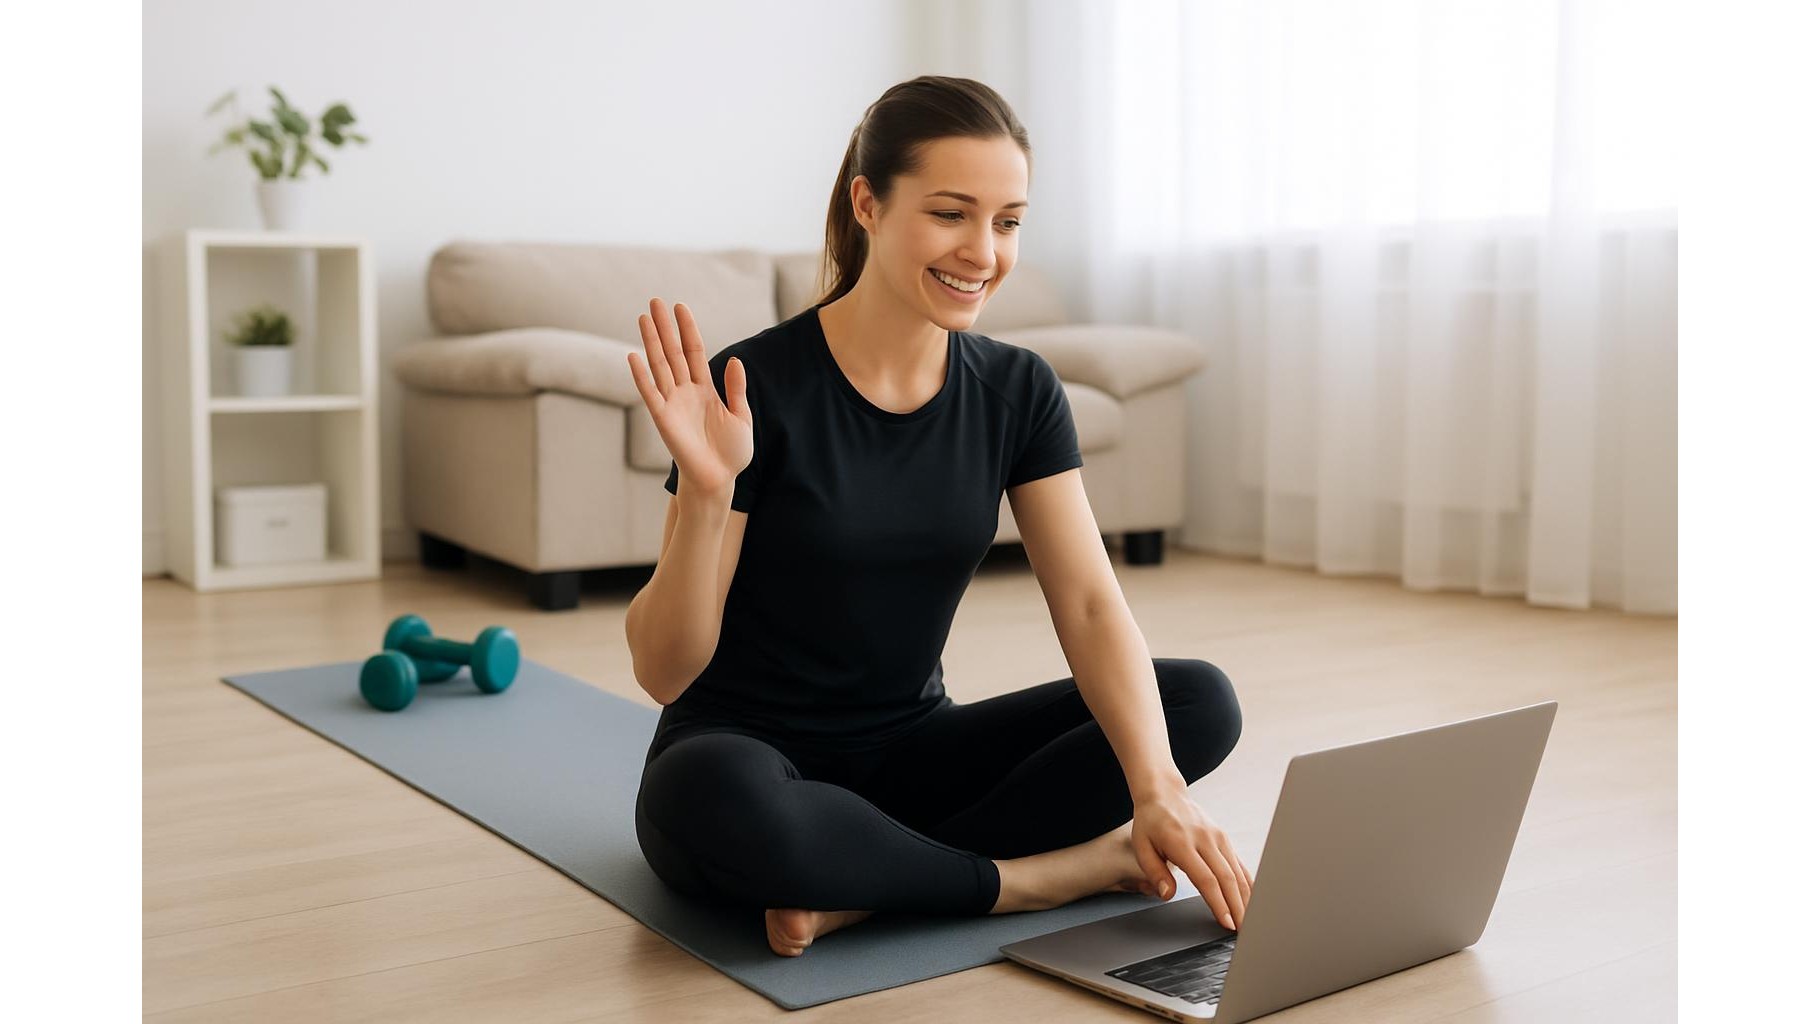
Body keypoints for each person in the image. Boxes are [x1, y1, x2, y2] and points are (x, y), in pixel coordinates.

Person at [623, 75, 1251, 959]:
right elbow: (663, 671)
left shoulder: (1018, 390)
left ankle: (869, 888)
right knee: (707, 793)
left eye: (1008, 221)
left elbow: (1089, 604)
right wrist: (706, 491)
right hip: (751, 760)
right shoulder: (752, 385)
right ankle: (1042, 876)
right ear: (868, 204)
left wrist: (1158, 789)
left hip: (915, 759)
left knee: (1195, 702)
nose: (983, 252)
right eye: (952, 214)